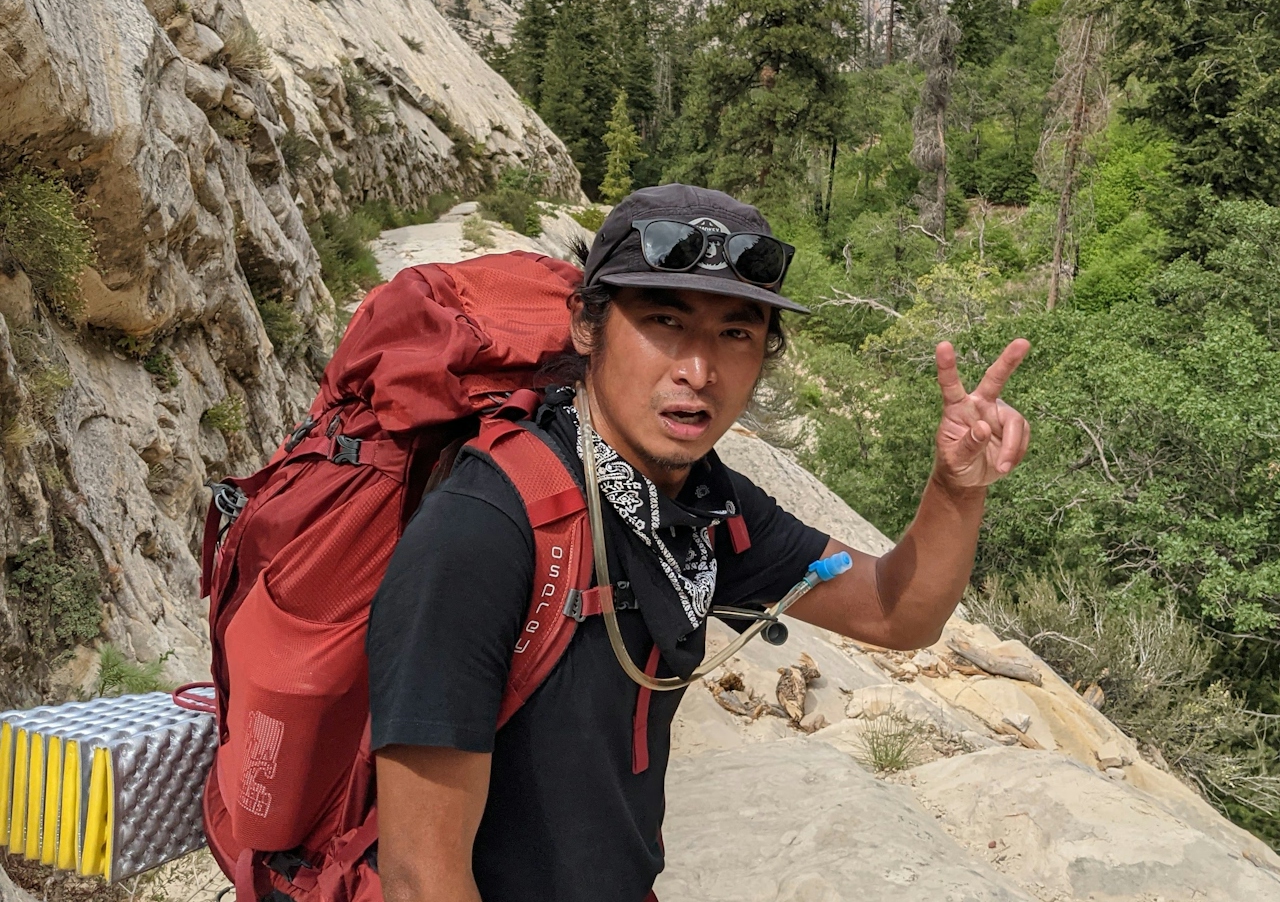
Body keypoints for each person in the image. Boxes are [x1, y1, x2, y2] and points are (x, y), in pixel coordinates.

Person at [368, 184, 1030, 902]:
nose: (698, 370)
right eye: (663, 321)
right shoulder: (485, 529)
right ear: (587, 327)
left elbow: (895, 613)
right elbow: (420, 878)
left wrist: (957, 489)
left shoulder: (704, 507)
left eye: (736, 333)